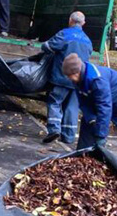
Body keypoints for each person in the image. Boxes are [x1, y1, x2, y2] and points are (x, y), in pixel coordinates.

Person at [62, 53, 117, 181]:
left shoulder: (97, 80)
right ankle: (80, 165)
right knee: (87, 124)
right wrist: (91, 119)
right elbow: (83, 102)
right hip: (113, 104)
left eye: (70, 76)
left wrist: (101, 136)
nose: (70, 79)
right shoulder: (78, 79)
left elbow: (105, 108)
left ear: (77, 71)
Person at [40, 12, 93, 144]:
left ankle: (54, 129)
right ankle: (68, 136)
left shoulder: (65, 34)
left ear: (70, 20)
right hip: (78, 80)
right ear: (83, 23)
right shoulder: (87, 40)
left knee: (55, 102)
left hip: (61, 77)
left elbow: (47, 47)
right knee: (72, 107)